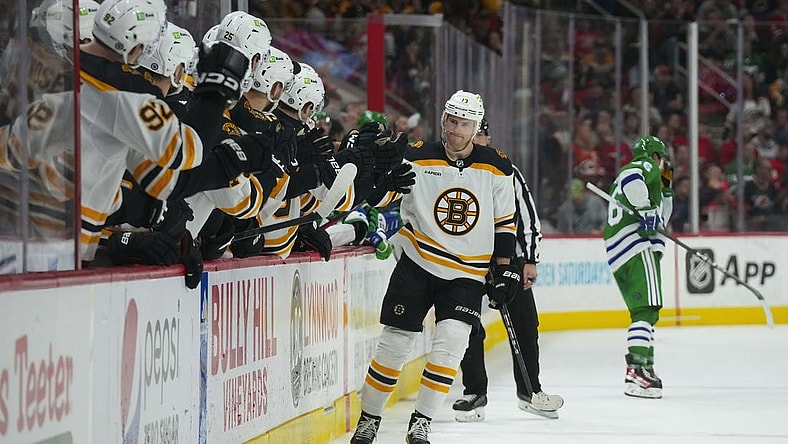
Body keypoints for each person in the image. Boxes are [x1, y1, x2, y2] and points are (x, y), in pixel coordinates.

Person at [349, 90, 520, 444]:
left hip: (467, 275)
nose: (456, 130)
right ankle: (369, 420)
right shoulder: (416, 156)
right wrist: (377, 177)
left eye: (465, 124)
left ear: (477, 127)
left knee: (451, 346)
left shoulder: (497, 165)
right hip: (417, 264)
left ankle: (422, 421)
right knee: (393, 346)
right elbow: (383, 200)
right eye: (452, 121)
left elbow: (505, 223)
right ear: (442, 120)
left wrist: (505, 268)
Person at [452, 118, 564, 422]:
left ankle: (530, 392)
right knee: (467, 326)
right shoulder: (451, 171)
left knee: (526, 324)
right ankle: (474, 394)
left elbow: (527, 215)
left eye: (482, 133)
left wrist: (529, 259)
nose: (479, 139)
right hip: (465, 261)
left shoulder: (505, 169)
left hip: (508, 261)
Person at [602, 135, 673, 399]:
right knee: (646, 310)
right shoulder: (645, 165)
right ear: (655, 155)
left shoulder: (658, 176)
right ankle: (636, 372)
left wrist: (662, 198)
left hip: (622, 250)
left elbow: (663, 211)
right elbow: (632, 176)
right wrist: (645, 208)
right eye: (661, 158)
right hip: (635, 246)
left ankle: (644, 366)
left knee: (645, 311)